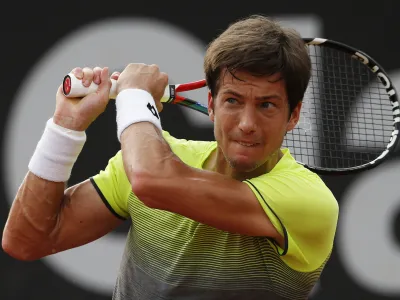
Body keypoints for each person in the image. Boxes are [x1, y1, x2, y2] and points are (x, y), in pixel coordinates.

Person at [2, 15, 339, 300]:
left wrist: (134, 98)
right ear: (210, 104)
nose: (247, 124)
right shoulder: (148, 158)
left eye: (266, 105)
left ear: (294, 115)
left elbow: (152, 180)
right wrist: (66, 126)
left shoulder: (308, 200)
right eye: (233, 101)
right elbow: (25, 240)